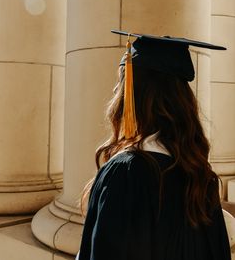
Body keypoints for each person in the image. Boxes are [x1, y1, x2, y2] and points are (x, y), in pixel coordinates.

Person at [76, 30, 231, 260]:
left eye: (121, 83)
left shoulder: (125, 174)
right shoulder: (200, 177)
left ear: (134, 95)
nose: (116, 91)